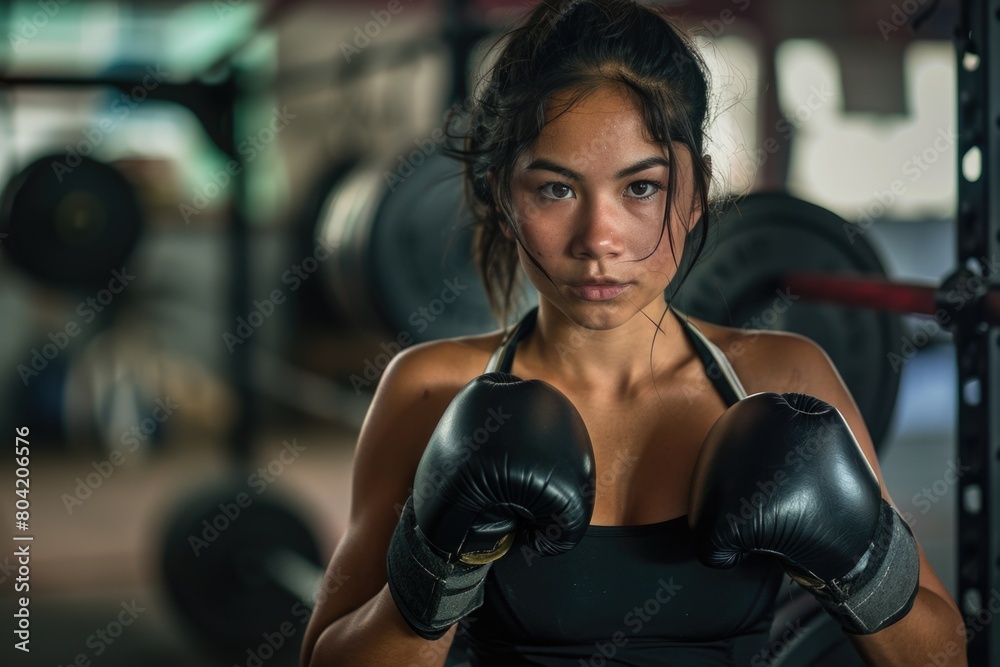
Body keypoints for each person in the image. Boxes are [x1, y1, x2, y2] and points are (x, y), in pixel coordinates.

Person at [299, 1, 967, 665]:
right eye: (555, 190)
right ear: (503, 198)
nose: (599, 240)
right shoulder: (431, 390)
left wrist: (859, 562)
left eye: (641, 188)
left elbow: (939, 654)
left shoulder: (782, 378)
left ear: (698, 191)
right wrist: (435, 571)